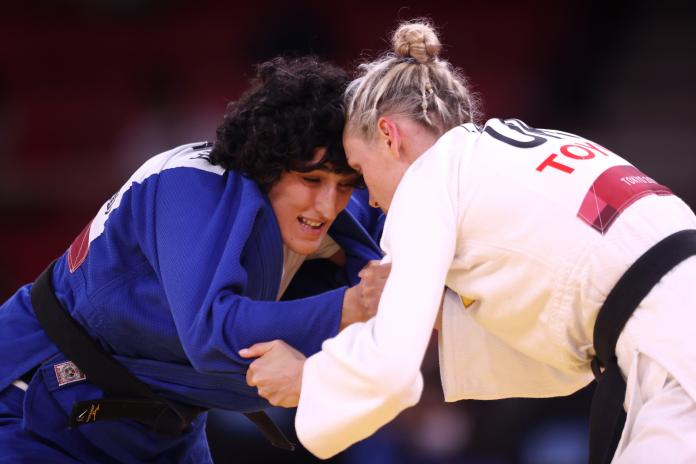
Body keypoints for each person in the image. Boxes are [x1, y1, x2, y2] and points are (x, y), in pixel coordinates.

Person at [241, 21, 696, 463]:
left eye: (360, 172)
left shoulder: (428, 177)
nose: (373, 203)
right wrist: (439, 315)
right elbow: (566, 357)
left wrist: (311, 378)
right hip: (667, 333)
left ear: (388, 135)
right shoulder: (519, 148)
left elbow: (392, 370)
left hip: (671, 342)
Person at [0, 56, 388, 463]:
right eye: (311, 180)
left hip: (163, 428)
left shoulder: (339, 217)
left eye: (344, 185)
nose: (327, 205)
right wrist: (353, 307)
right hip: (37, 397)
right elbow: (212, 333)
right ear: (270, 166)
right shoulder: (188, 186)